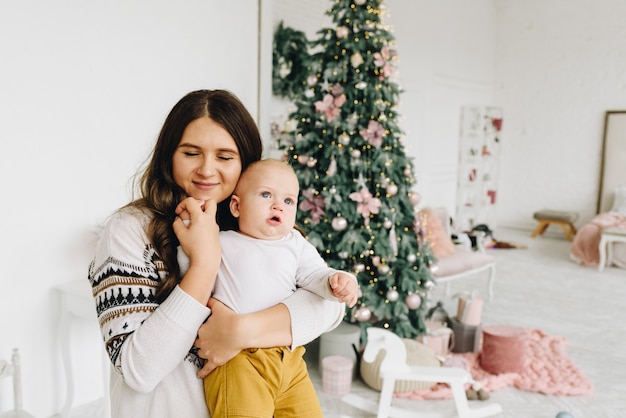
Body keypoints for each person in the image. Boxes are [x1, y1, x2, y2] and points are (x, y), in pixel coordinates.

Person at [88, 90, 345, 418]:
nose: (207, 170)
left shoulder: (259, 221)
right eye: (191, 153)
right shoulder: (130, 230)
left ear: (245, 161)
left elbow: (329, 306)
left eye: (225, 157)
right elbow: (138, 370)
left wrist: (240, 331)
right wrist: (205, 263)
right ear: (169, 155)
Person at [177, 159, 358, 417]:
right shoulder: (222, 241)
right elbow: (190, 261)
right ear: (237, 206)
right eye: (266, 195)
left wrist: (336, 282)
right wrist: (191, 219)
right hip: (238, 361)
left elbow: (316, 275)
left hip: (289, 358)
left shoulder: (295, 243)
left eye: (288, 201)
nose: (278, 206)